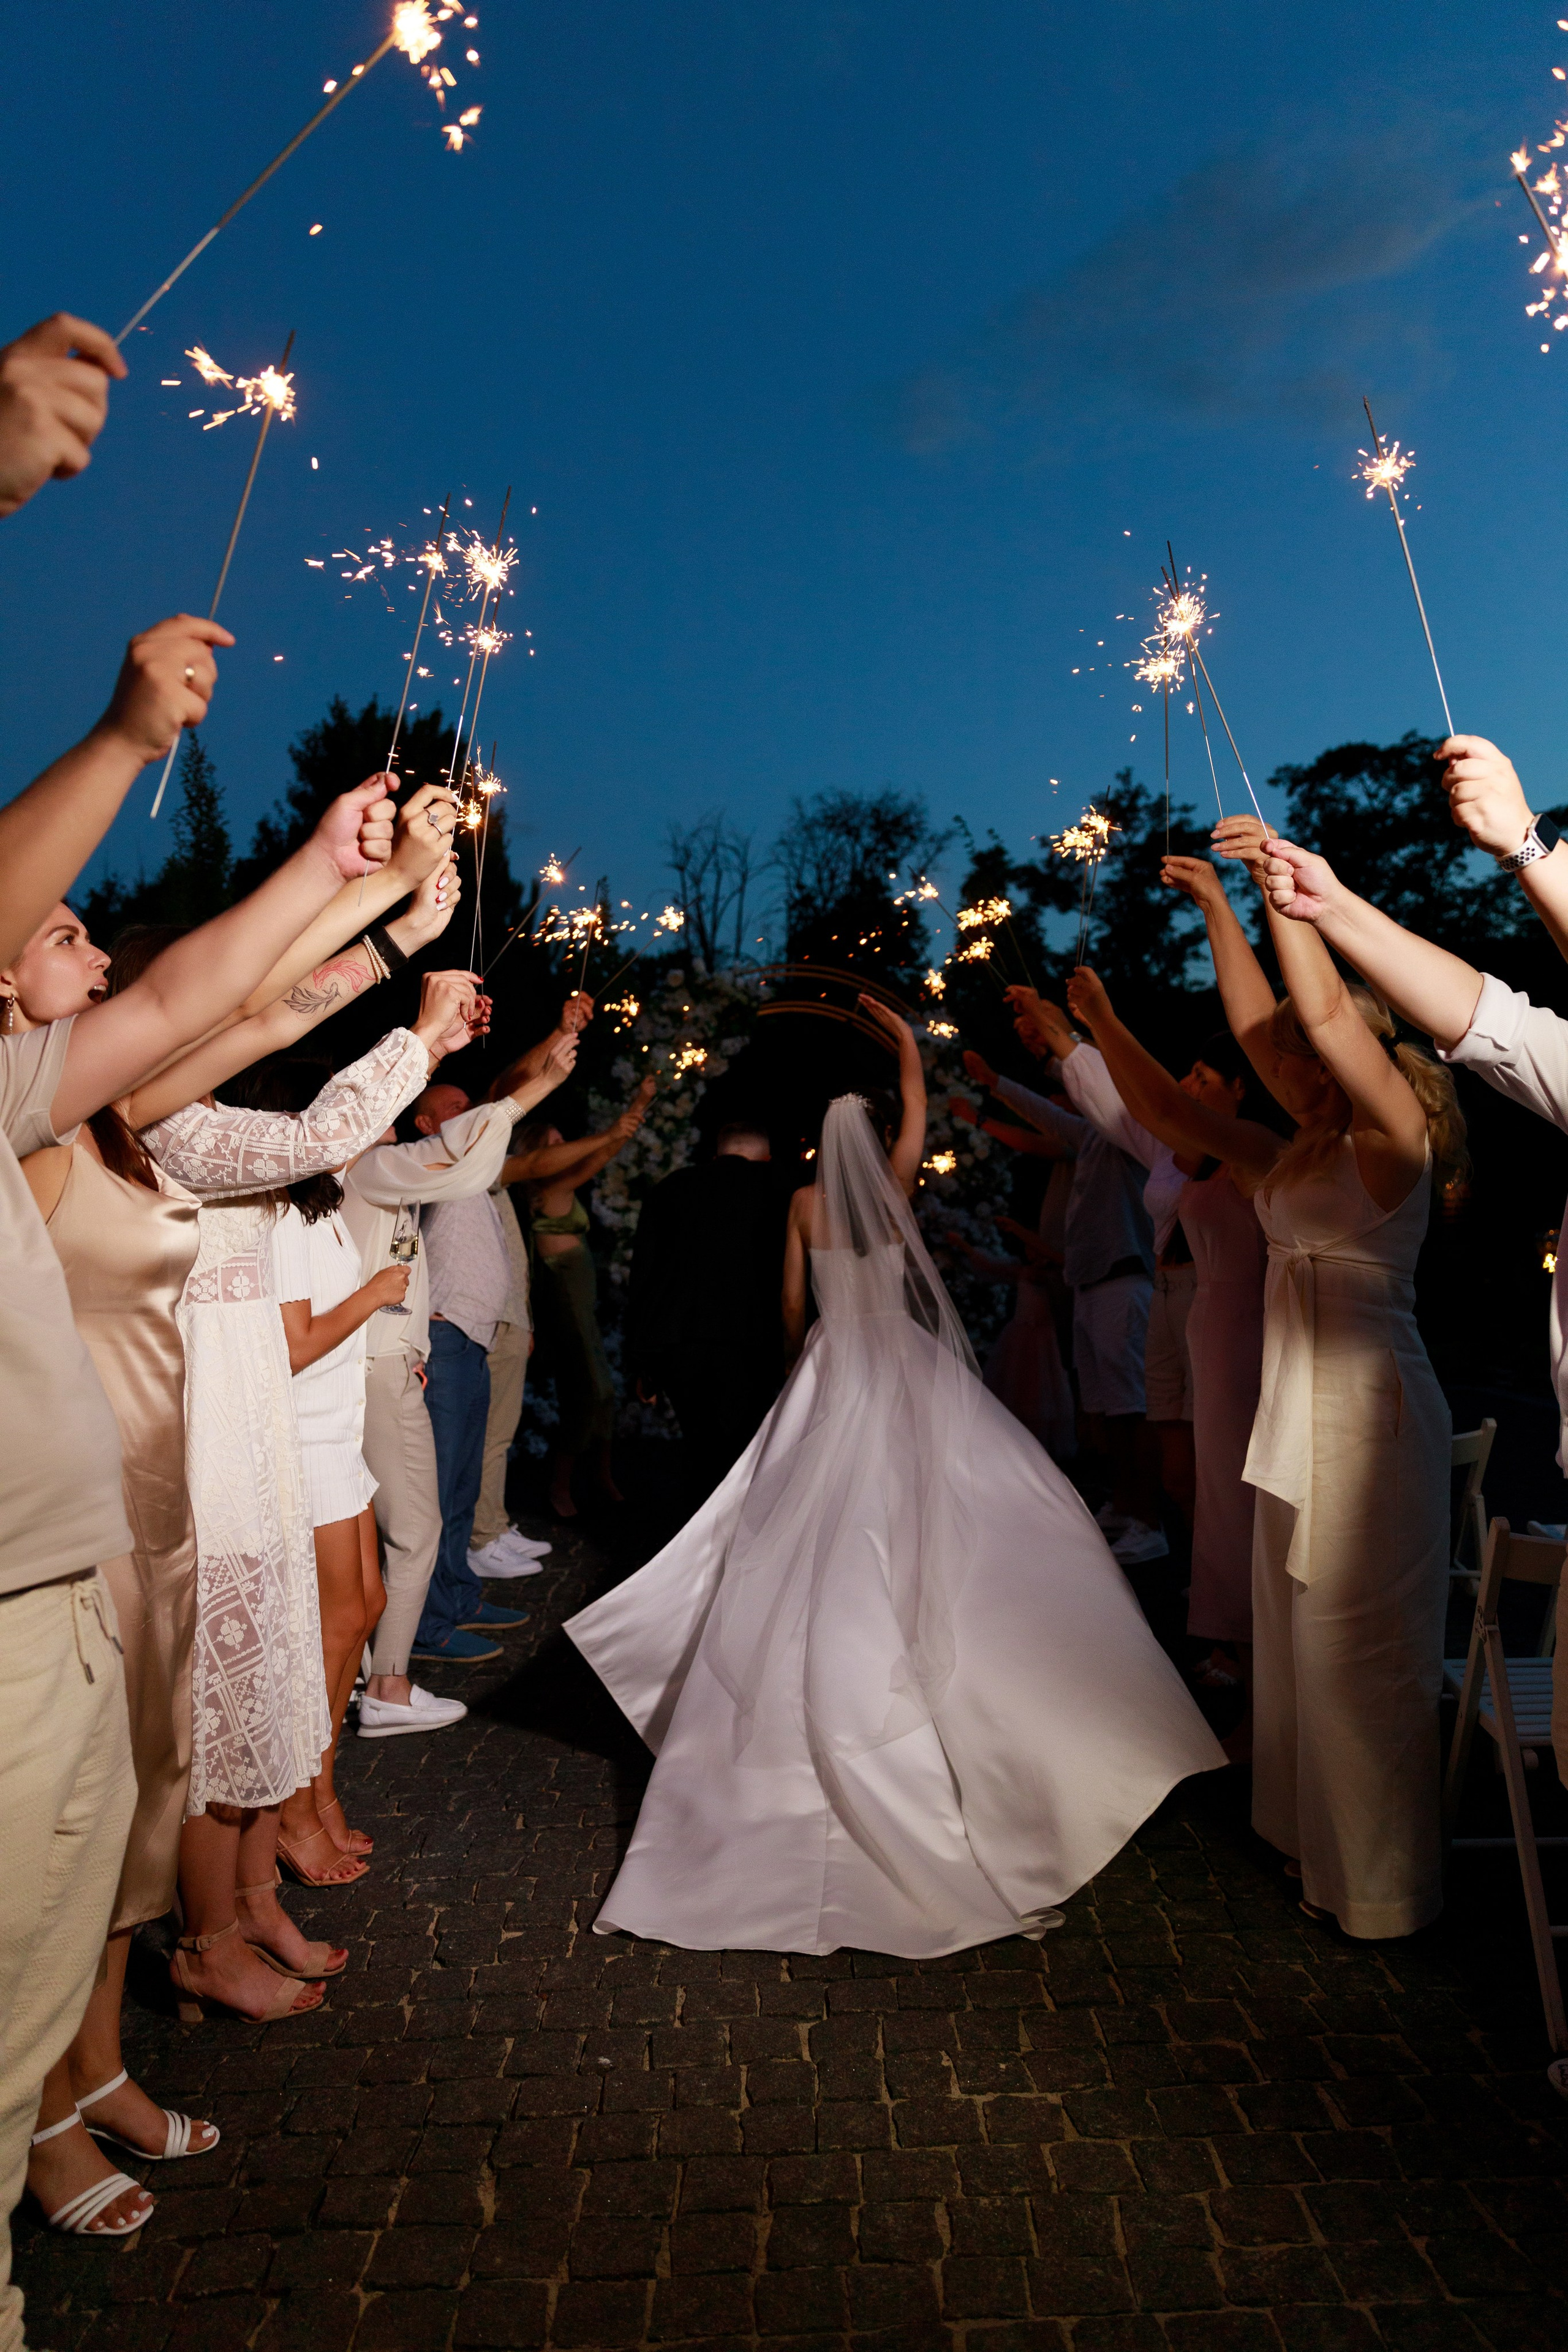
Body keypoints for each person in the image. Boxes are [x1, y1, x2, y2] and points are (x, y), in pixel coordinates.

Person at [565, 996, 1224, 1956]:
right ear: (874, 1143)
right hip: (903, 1362)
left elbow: (791, 1306)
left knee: (815, 1529)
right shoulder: (895, 1187)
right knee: (945, 1514)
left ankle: (823, 1699)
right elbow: (916, 1116)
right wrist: (909, 1047)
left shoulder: (802, 1204)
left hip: (837, 1362)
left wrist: (806, 1367)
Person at [1199, 815, 1467, 1937]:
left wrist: (1279, 885)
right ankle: (1318, 1855)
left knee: (1363, 1655)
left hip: (1373, 1419)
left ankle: (1383, 1894)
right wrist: (1221, 906)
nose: (1301, 1066)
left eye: (1328, 1055)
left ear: (1370, 1055)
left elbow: (1304, 1014)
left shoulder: (1397, 1134)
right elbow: (1269, 1033)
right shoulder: (1313, 1146)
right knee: (1303, 1645)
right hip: (1298, 1416)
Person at [341, 1017, 581, 1723]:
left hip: (410, 1353)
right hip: (394, 1359)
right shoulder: (376, 1164)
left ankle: (380, 1667)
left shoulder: (370, 1166)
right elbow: (465, 1144)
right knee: (412, 1521)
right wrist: (536, 1084)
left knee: (403, 1515)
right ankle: (391, 1672)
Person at [957, 1010, 1164, 1561]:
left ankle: (1150, 1519)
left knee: (1130, 1409)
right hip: (1092, 1285)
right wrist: (995, 1085)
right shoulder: (1089, 1135)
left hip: (1124, 1280)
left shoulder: (1127, 1128)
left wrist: (1058, 1043)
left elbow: (1079, 1088)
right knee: (1103, 1409)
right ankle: (1124, 1504)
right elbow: (1049, 1116)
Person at [625, 1118, 790, 1509]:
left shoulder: (669, 1190)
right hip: (752, 1341)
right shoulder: (780, 1190)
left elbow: (643, 1276)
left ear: (718, 1154)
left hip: (677, 1342)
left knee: (700, 1448)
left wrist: (641, 1363)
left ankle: (696, 1540)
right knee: (746, 1452)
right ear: (765, 1158)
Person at [517, 1079, 657, 1518]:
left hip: (580, 1296)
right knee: (592, 1389)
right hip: (565, 1296)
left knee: (601, 1391)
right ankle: (564, 1484)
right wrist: (636, 1105)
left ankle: (600, 1477)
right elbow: (600, 1155)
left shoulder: (561, 1189)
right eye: (556, 1144)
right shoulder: (550, 1189)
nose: (566, 1148)